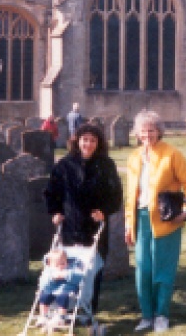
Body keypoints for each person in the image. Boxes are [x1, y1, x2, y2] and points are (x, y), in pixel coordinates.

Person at [125, 110, 186, 334]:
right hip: (141, 219)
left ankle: (161, 315)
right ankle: (146, 315)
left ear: (159, 131)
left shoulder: (172, 154)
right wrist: (129, 223)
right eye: (143, 131)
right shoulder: (134, 157)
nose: (147, 135)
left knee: (163, 270)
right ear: (137, 133)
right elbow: (131, 195)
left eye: (152, 130)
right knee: (143, 270)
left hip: (167, 220)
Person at [43, 121, 123, 318]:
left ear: (99, 143)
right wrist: (55, 212)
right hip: (70, 226)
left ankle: (87, 311)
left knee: (90, 271)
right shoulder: (64, 165)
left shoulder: (106, 165)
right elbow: (51, 192)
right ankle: (60, 309)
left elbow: (116, 195)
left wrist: (104, 211)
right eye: (84, 139)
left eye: (92, 140)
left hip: (94, 228)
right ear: (77, 141)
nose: (88, 144)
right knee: (65, 268)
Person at [36, 247, 87, 327]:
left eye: (63, 263)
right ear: (50, 264)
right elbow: (42, 283)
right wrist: (52, 278)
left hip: (66, 291)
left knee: (63, 297)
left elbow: (80, 277)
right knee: (44, 296)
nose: (60, 266)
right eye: (57, 265)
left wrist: (66, 275)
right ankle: (43, 316)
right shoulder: (49, 271)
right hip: (51, 290)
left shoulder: (71, 269)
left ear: (67, 262)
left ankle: (61, 317)